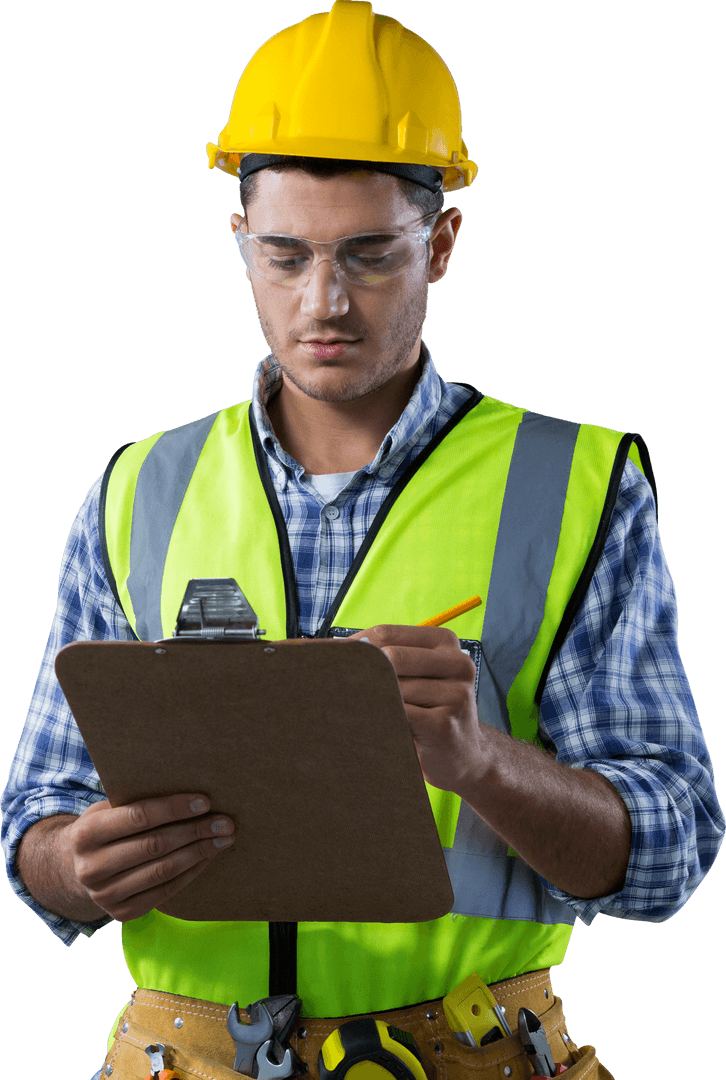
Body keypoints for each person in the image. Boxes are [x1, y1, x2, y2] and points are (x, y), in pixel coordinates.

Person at [2, 2, 723, 1078]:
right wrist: (74, 861)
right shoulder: (137, 490)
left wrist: (480, 762)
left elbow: (671, 850)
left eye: (371, 256)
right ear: (239, 244)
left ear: (441, 243)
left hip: (468, 1057)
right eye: (285, 255)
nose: (323, 301)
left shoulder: (574, 487)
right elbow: (33, 827)